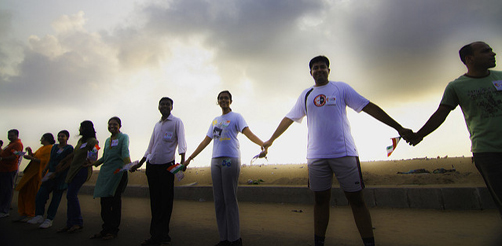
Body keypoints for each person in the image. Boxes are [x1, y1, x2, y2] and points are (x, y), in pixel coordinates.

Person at [262, 56, 413, 246]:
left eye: (322, 67)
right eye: (315, 68)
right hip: (316, 157)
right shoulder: (306, 94)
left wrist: (398, 127)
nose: (319, 70)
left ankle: (369, 243)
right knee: (320, 201)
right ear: (311, 73)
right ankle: (319, 242)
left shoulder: (341, 88)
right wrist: (271, 140)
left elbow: (369, 107)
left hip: (344, 154)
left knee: (357, 200)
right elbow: (289, 119)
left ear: (329, 70)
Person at [407, 41, 502, 216]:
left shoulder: (500, 77)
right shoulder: (456, 86)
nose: (493, 54)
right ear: (469, 59)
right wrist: (419, 135)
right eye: (486, 51)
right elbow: (441, 114)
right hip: (488, 152)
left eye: (491, 50)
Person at [183, 90, 265, 246]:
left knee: (230, 198)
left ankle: (235, 239)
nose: (223, 100)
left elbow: (248, 133)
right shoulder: (215, 121)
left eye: (226, 98)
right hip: (215, 161)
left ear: (231, 101)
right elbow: (205, 141)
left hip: (230, 159)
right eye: (221, 98)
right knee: (219, 200)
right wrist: (189, 159)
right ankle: (224, 239)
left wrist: (262, 144)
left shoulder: (236, 117)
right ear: (218, 101)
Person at [130, 97, 187, 246]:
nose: (165, 106)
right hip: (152, 166)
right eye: (162, 104)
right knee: (155, 202)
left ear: (172, 107)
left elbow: (182, 142)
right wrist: (139, 164)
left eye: (168, 104)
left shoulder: (176, 122)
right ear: (158, 107)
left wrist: (182, 162)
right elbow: (150, 147)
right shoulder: (157, 125)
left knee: (166, 201)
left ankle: (161, 234)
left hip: (167, 167)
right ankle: (157, 234)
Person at [87, 117, 130, 240]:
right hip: (106, 174)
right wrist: (92, 163)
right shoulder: (107, 140)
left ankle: (113, 230)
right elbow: (104, 157)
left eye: (114, 124)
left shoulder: (124, 137)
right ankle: (105, 229)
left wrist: (129, 165)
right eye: (109, 124)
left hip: (118, 174)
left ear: (119, 126)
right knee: (104, 203)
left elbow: (125, 152)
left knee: (115, 203)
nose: (111, 126)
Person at [56, 120, 99, 233]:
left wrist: (90, 162)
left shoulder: (93, 141)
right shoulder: (81, 141)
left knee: (71, 195)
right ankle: (70, 223)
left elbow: (95, 154)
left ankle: (77, 222)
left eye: (81, 127)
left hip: (82, 171)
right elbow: (75, 153)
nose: (79, 129)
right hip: (73, 170)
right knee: (70, 197)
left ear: (85, 128)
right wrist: (63, 161)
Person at [26, 130, 74, 228]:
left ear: (67, 138)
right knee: (40, 194)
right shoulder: (54, 147)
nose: (60, 138)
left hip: (60, 176)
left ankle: (49, 219)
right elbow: (51, 159)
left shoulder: (69, 148)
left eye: (62, 136)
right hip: (50, 174)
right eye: (59, 136)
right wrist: (45, 169)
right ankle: (39, 215)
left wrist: (57, 172)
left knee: (55, 198)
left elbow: (68, 162)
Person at [14, 133, 54, 222]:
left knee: (32, 195)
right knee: (24, 192)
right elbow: (34, 156)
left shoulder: (50, 148)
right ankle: (23, 212)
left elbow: (45, 161)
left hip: (37, 174)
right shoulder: (42, 148)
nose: (41, 140)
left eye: (42, 138)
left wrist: (32, 158)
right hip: (30, 174)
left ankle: (31, 214)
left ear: (46, 139)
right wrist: (30, 152)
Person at [0, 129, 24, 218]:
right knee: (3, 190)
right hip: (3, 169)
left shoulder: (17, 144)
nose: (9, 137)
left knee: (7, 190)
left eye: (12, 135)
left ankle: (4, 210)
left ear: (16, 135)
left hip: (9, 170)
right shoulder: (11, 144)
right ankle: (3, 208)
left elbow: (15, 157)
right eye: (8, 135)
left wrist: (2, 159)